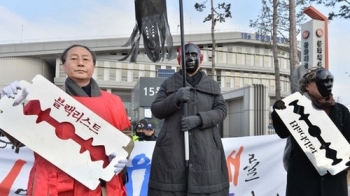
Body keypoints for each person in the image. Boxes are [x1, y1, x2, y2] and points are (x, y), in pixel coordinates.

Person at [0, 44, 131, 196]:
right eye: (74, 59)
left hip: (99, 183)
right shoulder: (44, 97)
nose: (80, 63)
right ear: (63, 66)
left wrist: (123, 155)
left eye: (86, 59)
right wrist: (7, 108)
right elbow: (18, 140)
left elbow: (126, 138)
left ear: (93, 66)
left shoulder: (114, 102)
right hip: (53, 181)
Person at [148, 43, 229, 196]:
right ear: (179, 60)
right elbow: (156, 110)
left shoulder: (212, 85)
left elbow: (222, 110)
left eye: (194, 55)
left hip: (206, 150)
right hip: (172, 151)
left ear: (201, 59)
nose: (190, 58)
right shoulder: (169, 83)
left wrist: (199, 119)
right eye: (186, 55)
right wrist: (175, 98)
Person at [271, 67, 350, 196]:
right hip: (303, 179)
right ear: (307, 86)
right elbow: (282, 133)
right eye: (322, 81)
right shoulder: (293, 108)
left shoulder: (341, 111)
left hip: (334, 179)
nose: (328, 85)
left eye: (330, 81)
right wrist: (278, 114)